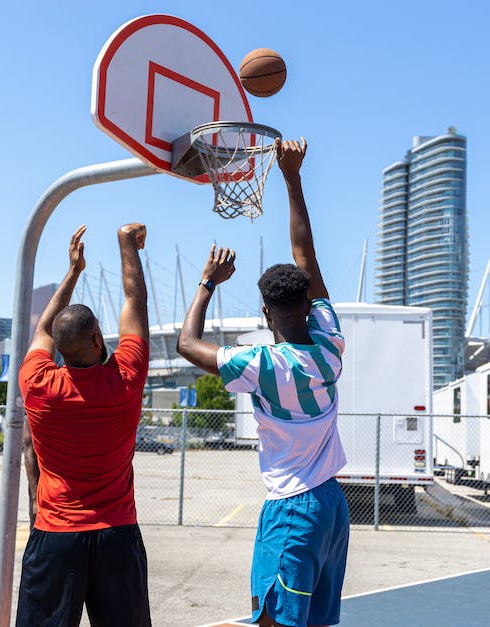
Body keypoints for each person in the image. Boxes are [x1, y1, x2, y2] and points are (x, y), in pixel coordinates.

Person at [176, 139, 349, 627]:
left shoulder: (263, 364)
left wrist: (208, 282)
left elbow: (187, 345)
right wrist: (292, 178)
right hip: (332, 506)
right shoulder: (331, 343)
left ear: (266, 313)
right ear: (309, 306)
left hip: (293, 508)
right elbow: (306, 254)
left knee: (273, 620)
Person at [17, 223, 152, 627]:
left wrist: (73, 271)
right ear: (97, 340)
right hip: (117, 534)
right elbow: (136, 303)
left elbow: (43, 329)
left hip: (56, 535)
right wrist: (127, 244)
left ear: (60, 350)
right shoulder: (124, 379)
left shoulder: (38, 384)